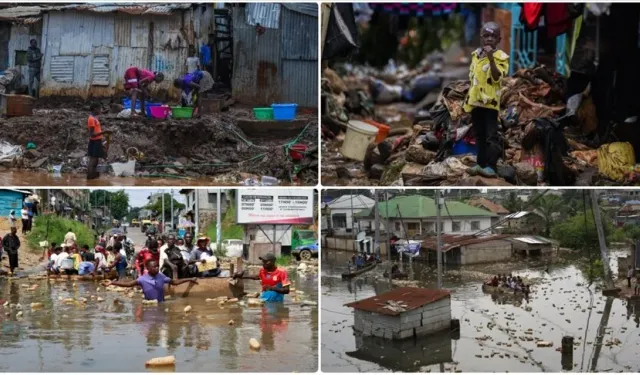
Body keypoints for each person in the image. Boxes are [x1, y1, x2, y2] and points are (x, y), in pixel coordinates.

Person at [464, 22, 509, 179]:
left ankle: (491, 166)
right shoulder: (476, 55)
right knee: (479, 135)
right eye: (486, 36)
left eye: (493, 36)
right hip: (476, 102)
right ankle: (480, 164)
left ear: (499, 39)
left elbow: (496, 77)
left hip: (490, 104)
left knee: (491, 136)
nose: (489, 39)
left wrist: (491, 58)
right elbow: (473, 77)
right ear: (482, 38)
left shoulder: (501, 57)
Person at [109, 260, 197, 302]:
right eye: (154, 267)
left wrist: (190, 279)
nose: (157, 268)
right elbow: (128, 284)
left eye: (157, 266)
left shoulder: (161, 277)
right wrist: (113, 283)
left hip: (161, 304)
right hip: (149, 305)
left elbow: (175, 282)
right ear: (148, 269)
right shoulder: (142, 279)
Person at [87, 103, 111, 179]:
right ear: (95, 109)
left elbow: (99, 114)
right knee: (93, 160)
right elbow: (92, 134)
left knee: (95, 159)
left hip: (96, 141)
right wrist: (104, 132)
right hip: (95, 141)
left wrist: (104, 111)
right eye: (99, 109)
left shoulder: (94, 117)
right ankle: (90, 176)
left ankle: (92, 175)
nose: (101, 110)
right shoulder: (91, 119)